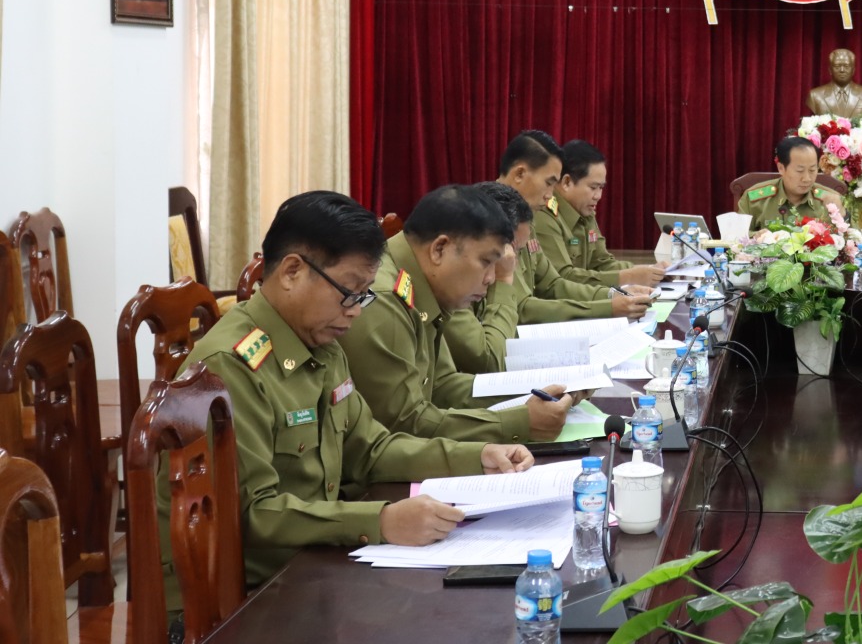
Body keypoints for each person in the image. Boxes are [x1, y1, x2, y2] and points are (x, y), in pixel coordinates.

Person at [158, 191, 533, 608]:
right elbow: (254, 514)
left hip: (309, 564)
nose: (356, 311)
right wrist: (381, 521)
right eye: (349, 292)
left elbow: (371, 449)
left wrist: (478, 457)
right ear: (292, 271)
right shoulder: (230, 367)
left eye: (364, 295)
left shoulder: (321, 342)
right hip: (238, 600)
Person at [341, 184, 574, 443]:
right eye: (486, 262)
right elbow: (404, 423)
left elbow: (442, 386)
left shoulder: (422, 284)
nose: (491, 278)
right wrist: (518, 422)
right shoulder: (385, 301)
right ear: (439, 249)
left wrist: (539, 391)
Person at [497, 130, 651, 324]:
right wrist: (607, 307)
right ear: (520, 174)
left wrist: (613, 294)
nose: (550, 194)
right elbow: (521, 308)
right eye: (548, 183)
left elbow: (553, 284)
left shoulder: (525, 216)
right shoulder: (491, 219)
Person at [533, 139, 666, 288]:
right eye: (593, 187)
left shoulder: (585, 211)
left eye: (601, 188)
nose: (598, 196)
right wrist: (628, 277)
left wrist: (650, 271)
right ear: (567, 182)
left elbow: (601, 263)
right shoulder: (544, 214)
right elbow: (562, 279)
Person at [736, 135, 845, 229]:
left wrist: (842, 217)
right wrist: (756, 236)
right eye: (800, 171)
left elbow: (851, 238)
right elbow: (736, 237)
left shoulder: (831, 200)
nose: (807, 178)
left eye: (812, 170)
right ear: (781, 168)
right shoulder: (755, 199)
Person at [806, 48, 862, 119]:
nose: (842, 70)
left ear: (853, 70)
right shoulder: (815, 96)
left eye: (846, 66)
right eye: (837, 66)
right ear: (830, 70)